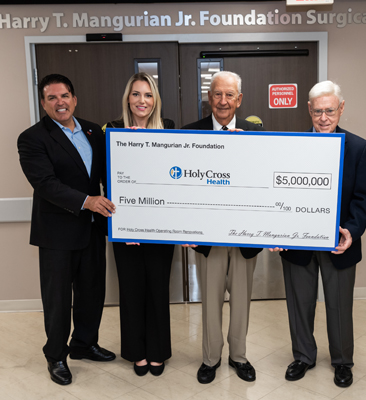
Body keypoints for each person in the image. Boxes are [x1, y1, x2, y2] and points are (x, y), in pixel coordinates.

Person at [17, 74, 116, 386]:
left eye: (64, 96)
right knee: (58, 299)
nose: (60, 103)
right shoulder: (32, 138)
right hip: (56, 233)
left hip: (91, 231)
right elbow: (45, 184)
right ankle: (56, 355)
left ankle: (83, 345)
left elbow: (108, 173)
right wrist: (87, 201)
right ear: (44, 103)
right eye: (52, 98)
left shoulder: (93, 131)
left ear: (74, 98)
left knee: (91, 293)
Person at [278, 80, 366, 388]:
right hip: (298, 242)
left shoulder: (359, 148)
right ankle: (303, 356)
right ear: (309, 110)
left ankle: (342, 361)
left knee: (339, 305)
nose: (323, 118)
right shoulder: (292, 145)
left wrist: (352, 232)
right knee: (300, 303)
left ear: (340, 109)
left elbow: (364, 198)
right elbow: (279, 190)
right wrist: (276, 230)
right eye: (317, 111)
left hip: (338, 243)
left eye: (329, 111)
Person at [182, 71, 264, 384]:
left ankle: (238, 356)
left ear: (239, 99)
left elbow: (266, 184)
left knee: (241, 300)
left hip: (245, 235)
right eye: (217, 94)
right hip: (208, 237)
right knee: (211, 300)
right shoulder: (191, 134)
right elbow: (182, 187)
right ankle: (210, 358)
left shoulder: (258, 134)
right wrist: (185, 228)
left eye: (229, 95)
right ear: (209, 98)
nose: (223, 101)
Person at [105, 72, 175, 377]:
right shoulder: (113, 130)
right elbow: (107, 178)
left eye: (147, 95)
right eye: (136, 94)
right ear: (127, 98)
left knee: (157, 287)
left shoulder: (169, 128)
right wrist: (126, 223)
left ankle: (157, 351)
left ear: (155, 99)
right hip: (126, 227)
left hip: (161, 225)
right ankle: (136, 351)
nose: (141, 101)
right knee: (132, 289)